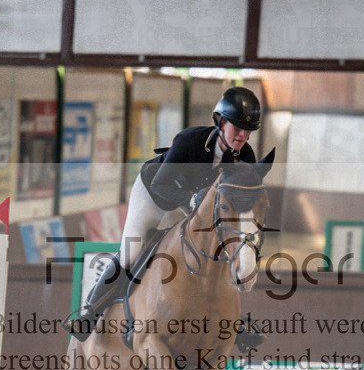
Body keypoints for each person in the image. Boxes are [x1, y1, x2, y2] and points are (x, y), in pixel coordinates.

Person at [66, 86, 265, 350]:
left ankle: (235, 322)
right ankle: (89, 313)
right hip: (154, 194)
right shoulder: (191, 142)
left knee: (221, 250)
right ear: (221, 121)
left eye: (248, 130)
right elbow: (162, 184)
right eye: (237, 128)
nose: (243, 135)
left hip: (193, 204)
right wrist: (192, 200)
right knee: (130, 252)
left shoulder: (245, 156)